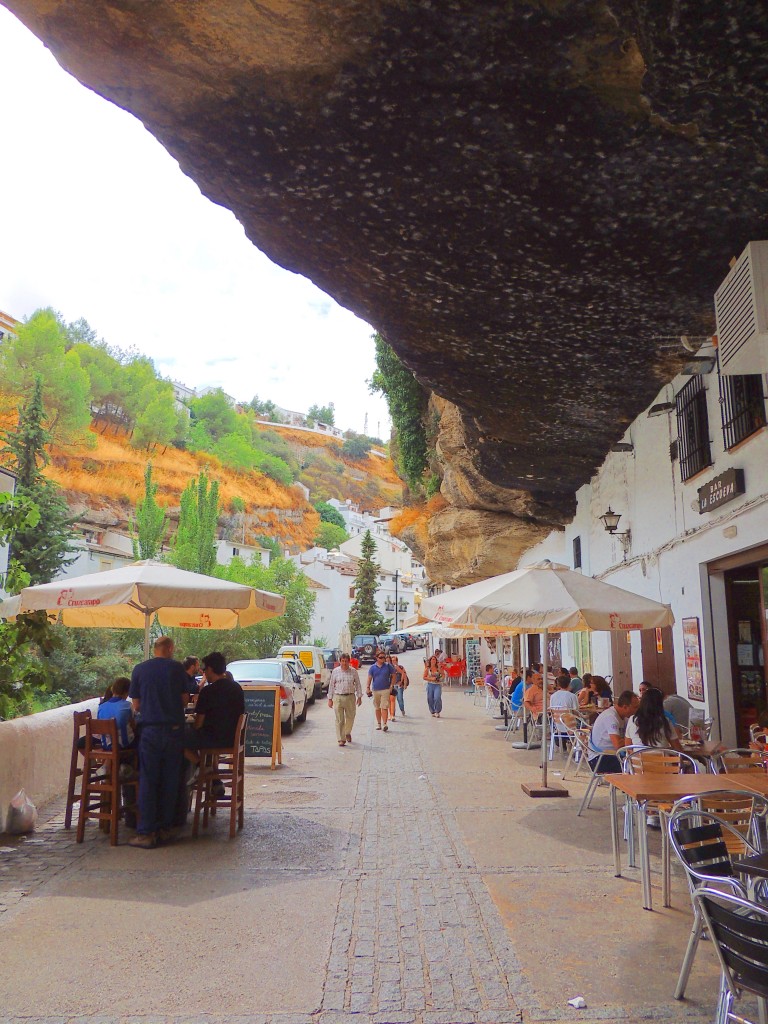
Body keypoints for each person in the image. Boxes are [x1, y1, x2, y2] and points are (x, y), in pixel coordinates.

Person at [128, 636, 190, 849]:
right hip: (173, 730)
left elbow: (136, 705)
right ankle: (165, 828)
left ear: (155, 649)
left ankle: (146, 832)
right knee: (170, 779)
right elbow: (184, 700)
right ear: (170, 648)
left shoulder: (139, 670)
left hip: (150, 731)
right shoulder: (177, 669)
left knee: (148, 780)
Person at [588, 690, 640, 773]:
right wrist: (633, 739)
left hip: (612, 755)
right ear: (625, 707)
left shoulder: (625, 718)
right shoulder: (611, 717)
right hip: (599, 759)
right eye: (635, 707)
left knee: (638, 763)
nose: (638, 710)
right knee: (636, 767)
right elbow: (618, 744)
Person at [625, 686, 682, 750]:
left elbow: (628, 747)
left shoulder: (633, 720)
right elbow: (678, 749)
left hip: (638, 759)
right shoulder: (665, 721)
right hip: (661, 759)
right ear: (660, 704)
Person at [327, 653, 362, 747]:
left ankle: (347, 732)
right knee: (339, 719)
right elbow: (331, 685)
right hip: (338, 697)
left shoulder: (353, 671)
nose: (344, 663)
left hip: (350, 697)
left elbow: (358, 684)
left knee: (350, 717)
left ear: (349, 661)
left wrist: (359, 697)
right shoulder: (335, 671)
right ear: (340, 661)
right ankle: (341, 739)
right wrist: (330, 699)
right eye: (342, 661)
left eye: (346, 661)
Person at [97, 676, 135, 750]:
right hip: (124, 744)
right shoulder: (127, 705)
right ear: (127, 691)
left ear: (113, 690)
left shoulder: (101, 707)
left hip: (106, 744)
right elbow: (133, 725)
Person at [367, 650, 396, 731]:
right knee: (377, 707)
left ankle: (384, 723)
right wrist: (367, 688)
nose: (383, 659)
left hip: (385, 689)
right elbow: (369, 678)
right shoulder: (372, 668)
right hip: (376, 690)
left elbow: (394, 675)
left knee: (384, 706)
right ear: (376, 658)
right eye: (381, 657)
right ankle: (379, 723)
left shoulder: (388, 666)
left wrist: (391, 685)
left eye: (384, 657)